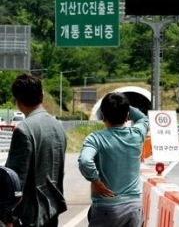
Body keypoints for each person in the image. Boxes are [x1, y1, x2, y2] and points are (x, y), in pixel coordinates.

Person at [3, 73, 67, 227]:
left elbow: (14, 181)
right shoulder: (58, 125)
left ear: (17, 101)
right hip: (52, 210)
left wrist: (7, 217)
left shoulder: (24, 130)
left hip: (30, 216)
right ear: (42, 96)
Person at [78, 92, 149, 227]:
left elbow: (85, 161)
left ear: (103, 116)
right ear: (127, 116)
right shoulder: (137, 134)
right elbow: (143, 119)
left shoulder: (95, 138)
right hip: (133, 208)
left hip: (106, 209)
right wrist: (124, 106)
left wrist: (96, 181)